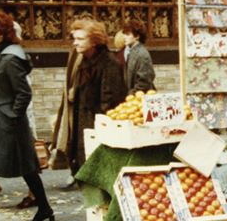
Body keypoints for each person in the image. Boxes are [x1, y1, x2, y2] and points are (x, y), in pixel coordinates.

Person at [0, 11, 54, 221]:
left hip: (7, 122)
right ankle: (44, 208)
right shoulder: (2, 55)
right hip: (2, 120)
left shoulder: (9, 58)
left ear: (1, 33)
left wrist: (12, 116)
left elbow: (23, 93)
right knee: (21, 166)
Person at [67, 18, 126, 174]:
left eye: (80, 39)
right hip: (84, 127)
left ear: (94, 41)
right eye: (74, 38)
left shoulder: (109, 63)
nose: (75, 43)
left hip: (99, 129)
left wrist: (99, 129)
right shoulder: (84, 62)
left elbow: (111, 101)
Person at [50, 46, 82, 184]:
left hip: (82, 105)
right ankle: (75, 170)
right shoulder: (75, 51)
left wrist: (76, 89)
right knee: (70, 138)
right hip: (73, 105)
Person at [121, 19, 156, 95]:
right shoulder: (132, 51)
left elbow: (144, 82)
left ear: (137, 36)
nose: (124, 37)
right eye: (124, 34)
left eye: (128, 34)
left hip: (141, 98)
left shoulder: (142, 54)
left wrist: (130, 95)